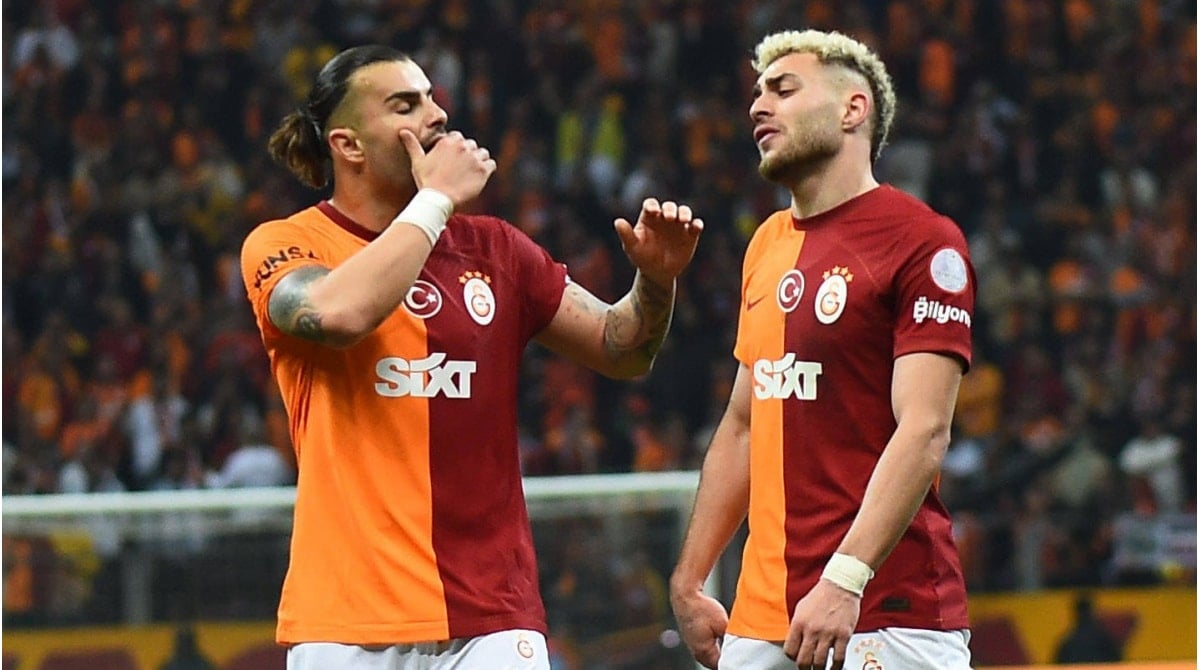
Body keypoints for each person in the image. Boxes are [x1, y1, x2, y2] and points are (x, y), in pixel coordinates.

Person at [239, 45, 702, 670]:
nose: (436, 115)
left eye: (432, 98)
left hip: (491, 619)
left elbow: (622, 349)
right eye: (405, 105)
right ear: (348, 146)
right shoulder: (288, 243)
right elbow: (339, 314)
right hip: (345, 623)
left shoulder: (496, 250)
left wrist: (656, 281)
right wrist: (434, 201)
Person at [669, 29, 975, 669]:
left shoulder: (922, 241)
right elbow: (743, 422)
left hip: (885, 613)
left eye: (783, 90)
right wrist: (691, 578)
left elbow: (924, 429)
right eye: (758, 93)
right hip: (761, 620)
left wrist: (845, 579)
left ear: (852, 109)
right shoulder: (766, 244)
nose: (758, 106)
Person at [1053, 594, 1122, 663]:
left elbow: (1059, 663)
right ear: (1092, 612)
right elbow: (1117, 661)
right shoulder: (1104, 638)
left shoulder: (1068, 641)